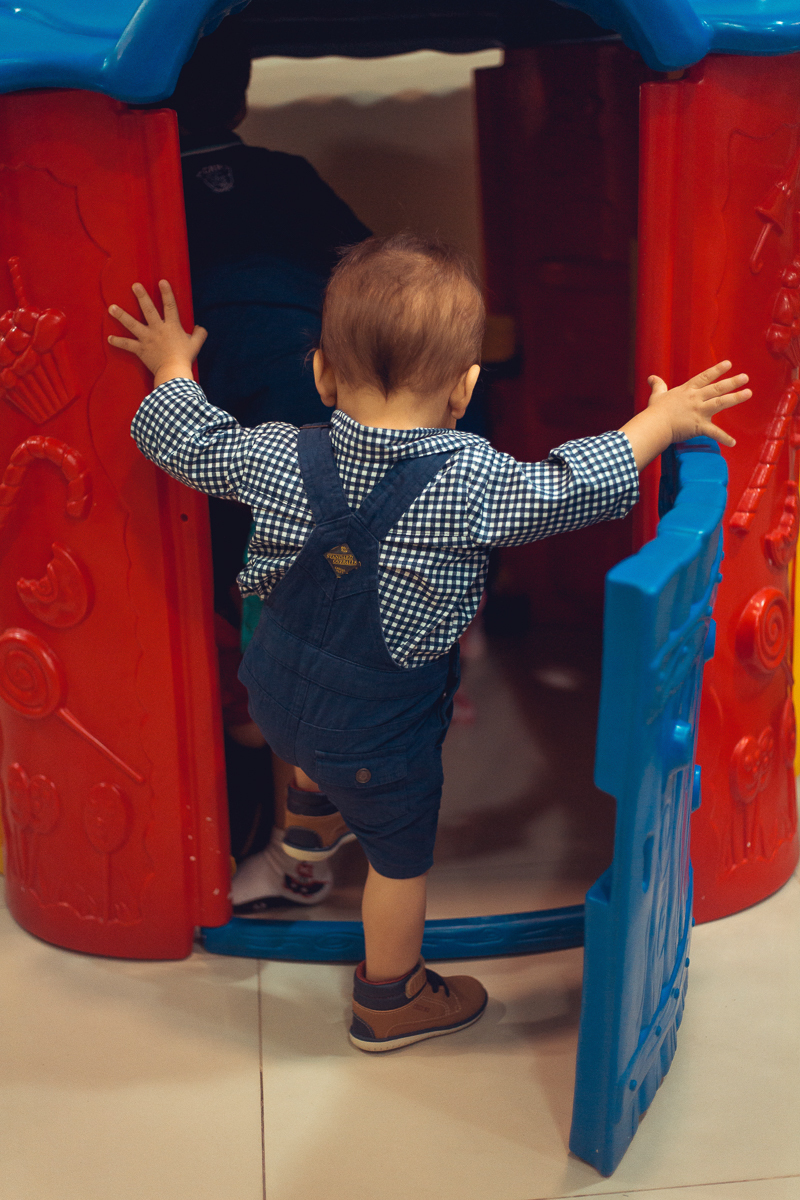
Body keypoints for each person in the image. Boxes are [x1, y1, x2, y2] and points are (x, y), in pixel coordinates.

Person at [109, 232, 750, 1052]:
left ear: (322, 374)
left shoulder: (274, 452)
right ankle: (390, 998)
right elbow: (570, 485)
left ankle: (309, 819)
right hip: (379, 734)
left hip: (273, 697)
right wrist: (658, 422)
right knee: (399, 861)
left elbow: (188, 441)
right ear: (465, 389)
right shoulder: (475, 481)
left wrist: (171, 366)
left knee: (312, 710)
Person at [160, 20, 372, 905]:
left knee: (270, 638)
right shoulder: (284, 176)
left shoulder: (146, 184)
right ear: (241, 96)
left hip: (228, 437)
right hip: (317, 441)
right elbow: (363, 268)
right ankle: (307, 823)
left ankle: (298, 845)